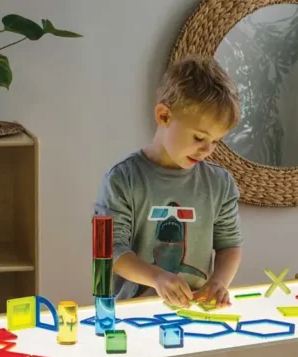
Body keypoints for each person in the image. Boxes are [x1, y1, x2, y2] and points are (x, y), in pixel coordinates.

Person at [93, 56, 244, 309]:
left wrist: (219, 282)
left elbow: (230, 245)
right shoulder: (122, 179)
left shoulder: (220, 184)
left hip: (194, 311)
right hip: (131, 313)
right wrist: (157, 278)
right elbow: (109, 251)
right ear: (164, 116)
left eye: (216, 141)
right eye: (199, 138)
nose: (207, 150)